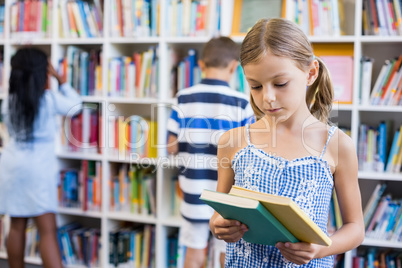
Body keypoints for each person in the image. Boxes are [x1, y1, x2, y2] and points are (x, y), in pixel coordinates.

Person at [209, 18, 365, 267]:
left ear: (310, 73)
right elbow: (220, 211)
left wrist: (322, 248)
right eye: (255, 86)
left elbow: (355, 228)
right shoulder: (233, 141)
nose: (268, 97)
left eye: (280, 84)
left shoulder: (337, 145)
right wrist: (218, 225)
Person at [167, 36, 255, 268]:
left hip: (193, 193)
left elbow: (170, 146)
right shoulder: (242, 102)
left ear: (201, 65)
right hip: (227, 197)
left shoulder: (183, 98)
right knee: (226, 257)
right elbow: (249, 151)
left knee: (194, 254)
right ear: (235, 67)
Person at [0, 47, 82, 268]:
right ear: (42, 72)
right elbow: (77, 106)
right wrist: (61, 80)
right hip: (37, 168)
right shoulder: (48, 99)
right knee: (47, 231)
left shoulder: (8, 102)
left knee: (16, 226)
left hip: (11, 166)